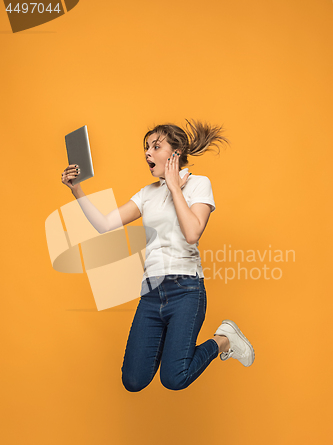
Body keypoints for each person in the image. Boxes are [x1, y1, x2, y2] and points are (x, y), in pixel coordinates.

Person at [61, 119, 255, 392]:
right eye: (146, 148)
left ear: (175, 153)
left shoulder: (199, 184)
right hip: (151, 293)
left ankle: (223, 339)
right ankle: (177, 345)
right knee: (133, 380)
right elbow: (104, 224)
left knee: (174, 378)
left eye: (156, 146)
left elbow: (192, 233)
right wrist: (77, 189)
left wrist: (175, 186)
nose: (147, 153)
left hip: (186, 289)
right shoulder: (146, 194)